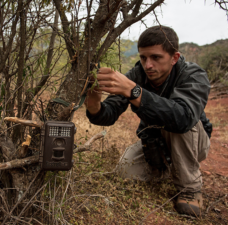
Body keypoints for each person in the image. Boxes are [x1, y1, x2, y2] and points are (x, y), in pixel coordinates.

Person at [85, 25, 212, 217]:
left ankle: (189, 189)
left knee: (178, 119)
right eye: (143, 57)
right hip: (156, 143)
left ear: (174, 58)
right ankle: (170, 168)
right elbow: (108, 114)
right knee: (125, 172)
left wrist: (134, 91)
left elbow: (183, 118)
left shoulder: (193, 75)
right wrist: (93, 100)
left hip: (194, 142)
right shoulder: (137, 74)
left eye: (156, 57)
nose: (148, 65)